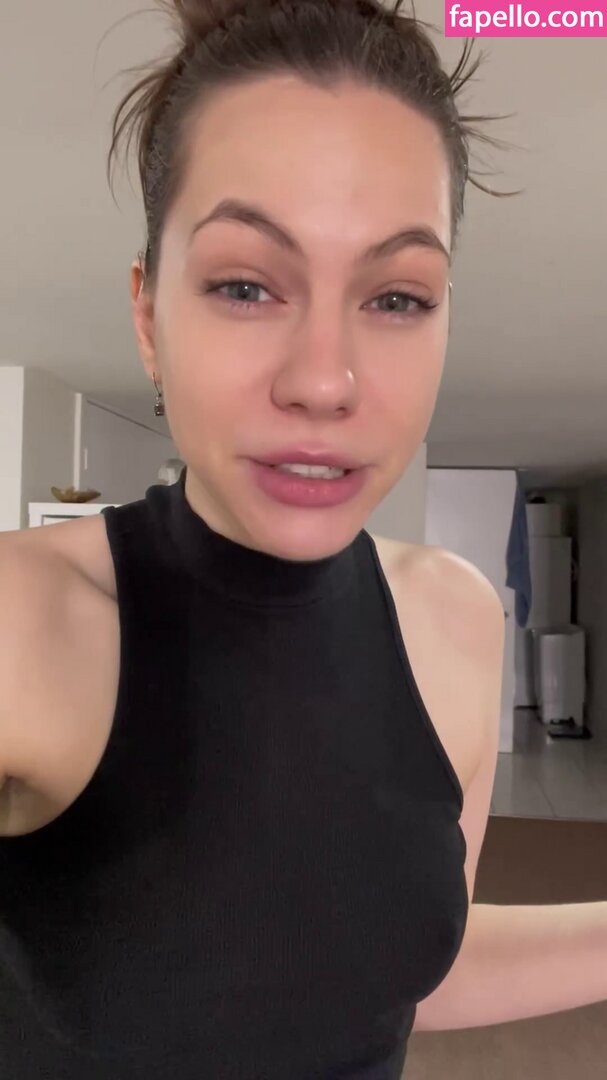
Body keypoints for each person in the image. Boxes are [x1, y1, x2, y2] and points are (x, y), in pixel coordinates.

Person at [6, 2, 604, 1079]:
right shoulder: (21, 623)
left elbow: (407, 970)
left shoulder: (457, 620)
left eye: (397, 297)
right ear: (148, 317)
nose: (324, 381)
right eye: (245, 286)